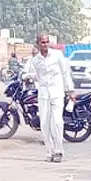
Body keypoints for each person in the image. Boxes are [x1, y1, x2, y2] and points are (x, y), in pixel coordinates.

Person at [23, 33, 74, 163]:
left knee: (56, 122)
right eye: (42, 43)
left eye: (46, 42)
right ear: (38, 44)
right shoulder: (35, 60)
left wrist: (70, 90)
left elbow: (65, 73)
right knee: (44, 123)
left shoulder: (57, 56)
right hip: (43, 94)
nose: (45, 45)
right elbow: (37, 76)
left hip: (57, 92)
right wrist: (28, 76)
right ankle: (49, 151)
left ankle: (59, 151)